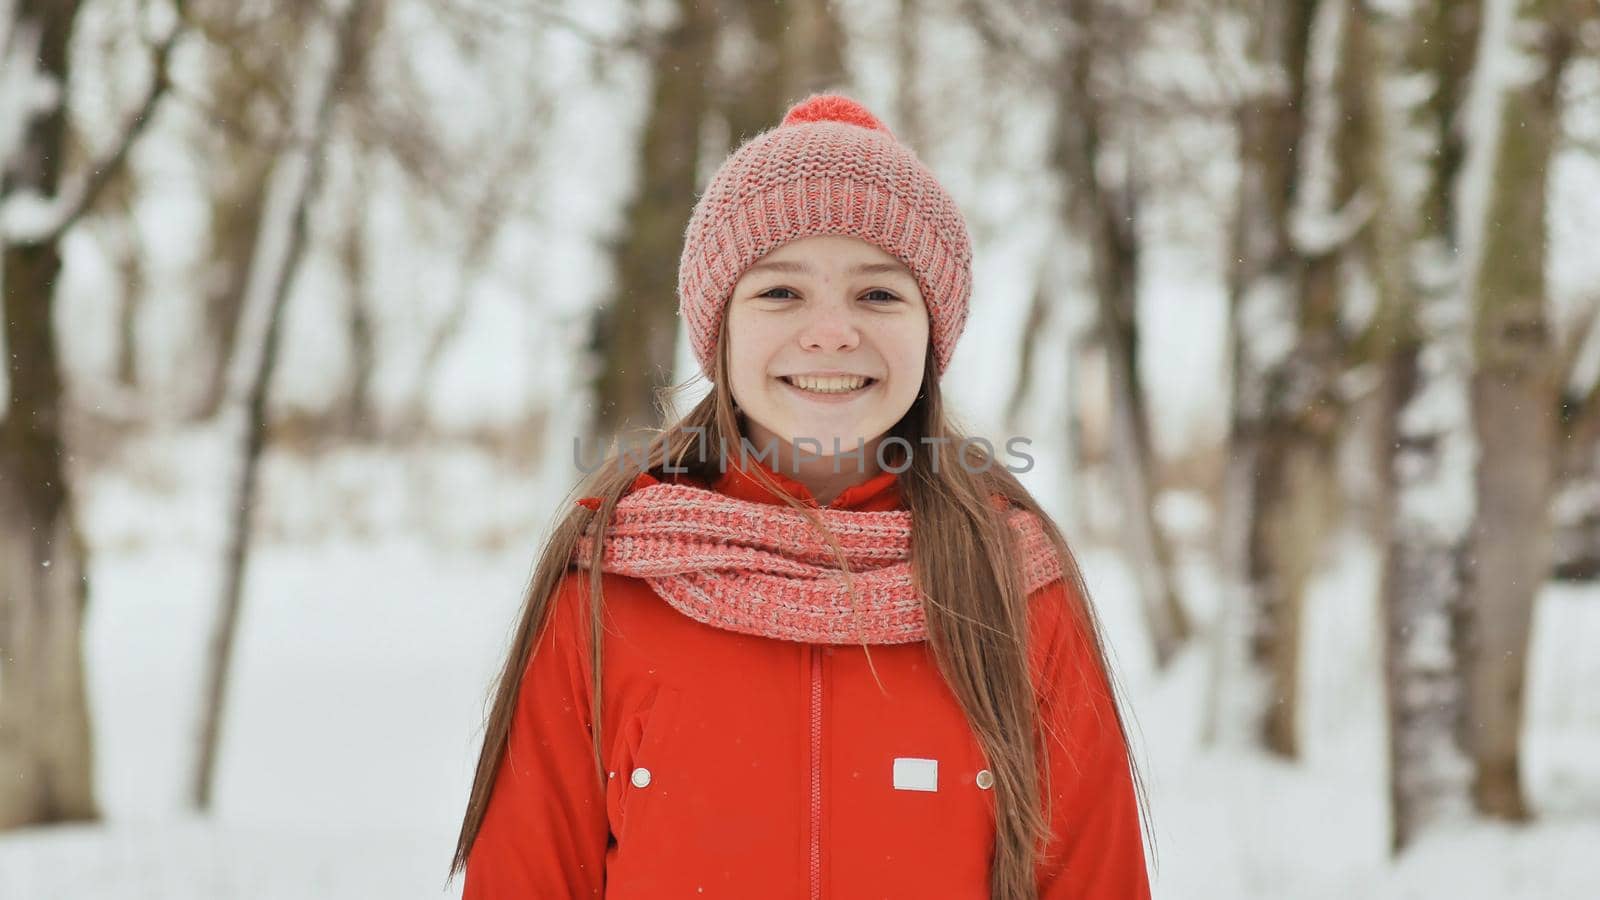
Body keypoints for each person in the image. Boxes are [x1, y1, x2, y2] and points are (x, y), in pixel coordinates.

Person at [450, 93, 1152, 899]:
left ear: (934, 331)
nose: (830, 333)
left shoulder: (1016, 587)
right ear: (719, 330)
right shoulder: (609, 584)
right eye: (780, 292)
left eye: (879, 294)